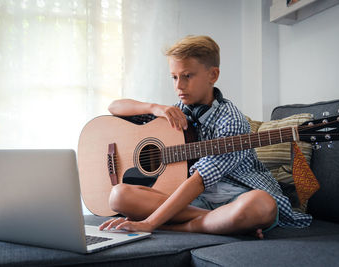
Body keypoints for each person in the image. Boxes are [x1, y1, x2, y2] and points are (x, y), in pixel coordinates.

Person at [99, 35, 312, 238]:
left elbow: (199, 181)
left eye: (187, 76)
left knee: (262, 205)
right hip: (197, 203)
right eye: (174, 77)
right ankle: (220, 224)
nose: (179, 86)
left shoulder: (232, 120)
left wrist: (149, 223)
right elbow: (114, 107)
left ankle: (183, 227)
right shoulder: (174, 113)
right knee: (118, 195)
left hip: (239, 196)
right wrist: (154, 108)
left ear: (213, 75)